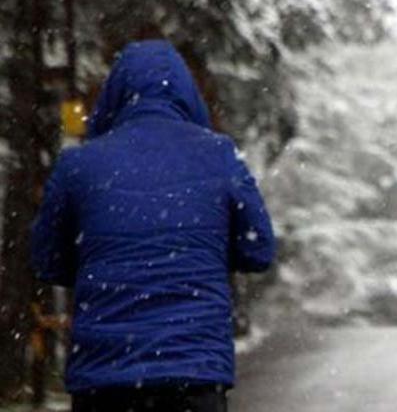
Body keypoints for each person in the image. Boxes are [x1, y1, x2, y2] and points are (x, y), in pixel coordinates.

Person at [30, 40, 275, 411]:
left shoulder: (78, 164)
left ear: (114, 95)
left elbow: (46, 261)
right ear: (187, 95)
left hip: (104, 379)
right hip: (193, 374)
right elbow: (258, 251)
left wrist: (100, 263)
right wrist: (202, 256)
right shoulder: (218, 155)